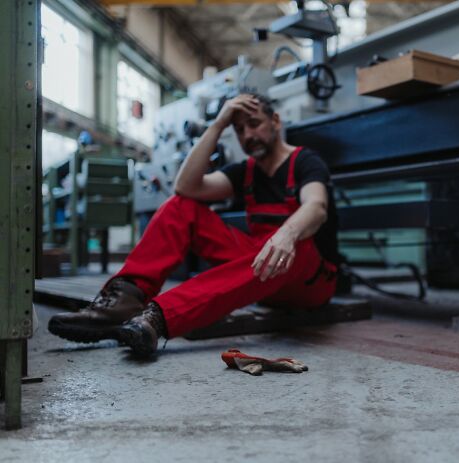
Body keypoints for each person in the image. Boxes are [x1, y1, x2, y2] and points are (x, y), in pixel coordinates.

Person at [49, 93, 340, 357]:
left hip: (308, 279)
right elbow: (185, 187)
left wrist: (287, 234)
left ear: (275, 121)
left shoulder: (305, 161)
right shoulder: (246, 172)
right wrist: (217, 124)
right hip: (261, 266)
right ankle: (125, 300)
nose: (248, 134)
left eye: (254, 124)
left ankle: (158, 318)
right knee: (180, 207)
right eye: (239, 129)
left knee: (296, 239)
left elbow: (316, 206)